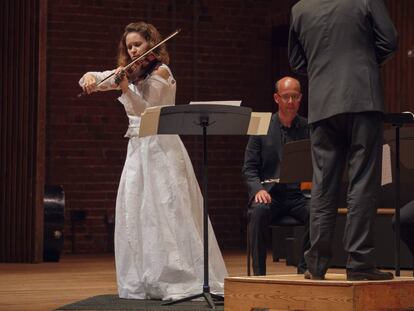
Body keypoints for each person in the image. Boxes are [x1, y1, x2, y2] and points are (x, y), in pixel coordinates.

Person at [79, 22, 227, 300]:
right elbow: (97, 76)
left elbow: (147, 113)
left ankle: (181, 277)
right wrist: (88, 79)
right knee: (139, 210)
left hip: (161, 144)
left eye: (138, 44)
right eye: (129, 46)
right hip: (138, 149)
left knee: (168, 208)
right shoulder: (131, 73)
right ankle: (148, 278)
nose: (133, 50)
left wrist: (125, 90)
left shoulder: (160, 71)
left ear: (151, 43)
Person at [289, 0, 398, 280]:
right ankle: (359, 264)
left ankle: (315, 264)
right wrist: (364, 63)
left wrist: (325, 69)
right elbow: (390, 40)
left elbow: (297, 61)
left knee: (323, 185)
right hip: (362, 96)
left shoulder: (300, 8)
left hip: (322, 104)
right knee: (362, 182)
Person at [243, 76, 310, 276]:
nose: (291, 102)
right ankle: (259, 275)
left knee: (320, 213)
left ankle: (304, 270)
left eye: (295, 97)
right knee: (258, 212)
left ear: (300, 98)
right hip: (271, 195)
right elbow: (249, 168)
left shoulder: (308, 128)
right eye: (286, 97)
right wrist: (258, 190)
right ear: (276, 98)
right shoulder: (261, 126)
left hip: (298, 196)